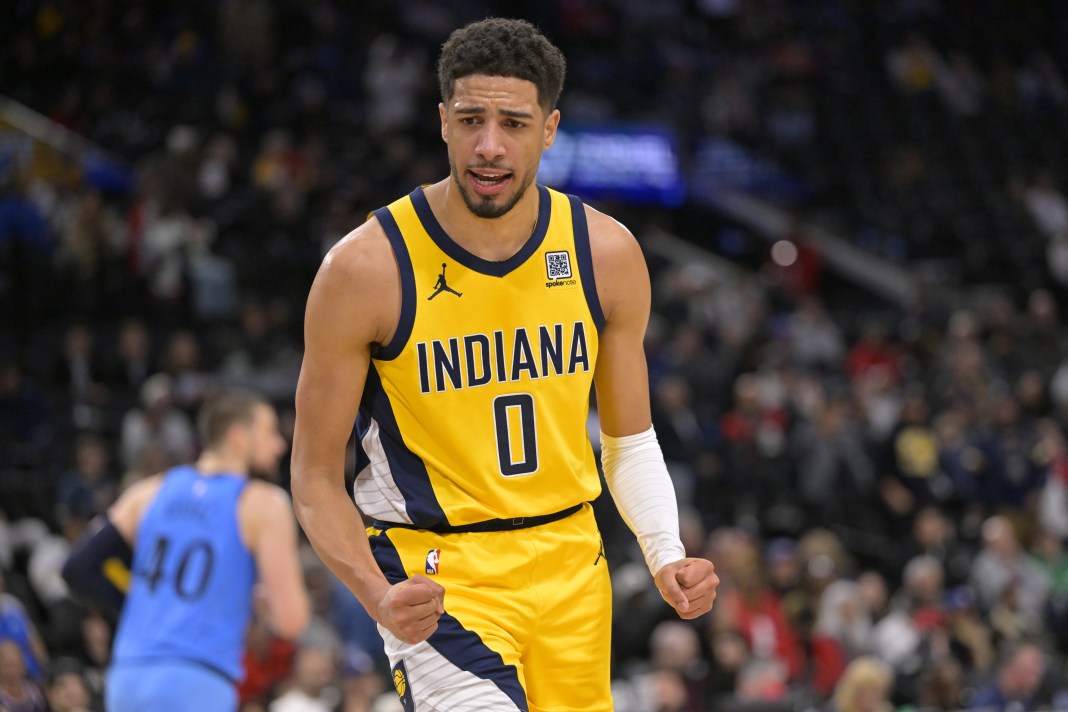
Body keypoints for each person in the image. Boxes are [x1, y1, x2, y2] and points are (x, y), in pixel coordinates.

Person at [291, 17, 719, 711]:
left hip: (571, 565)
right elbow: (313, 475)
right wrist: (377, 594)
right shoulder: (365, 268)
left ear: (549, 129)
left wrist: (666, 550)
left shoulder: (603, 253)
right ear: (442, 122)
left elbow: (629, 441)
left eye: (513, 124)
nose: (489, 146)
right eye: (471, 120)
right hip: (439, 574)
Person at [62, 390, 310, 712]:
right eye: (270, 433)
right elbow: (291, 621)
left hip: (128, 676)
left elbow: (78, 567)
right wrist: (262, 606)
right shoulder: (264, 503)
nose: (279, 445)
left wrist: (134, 606)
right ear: (238, 437)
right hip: (196, 682)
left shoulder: (148, 491)